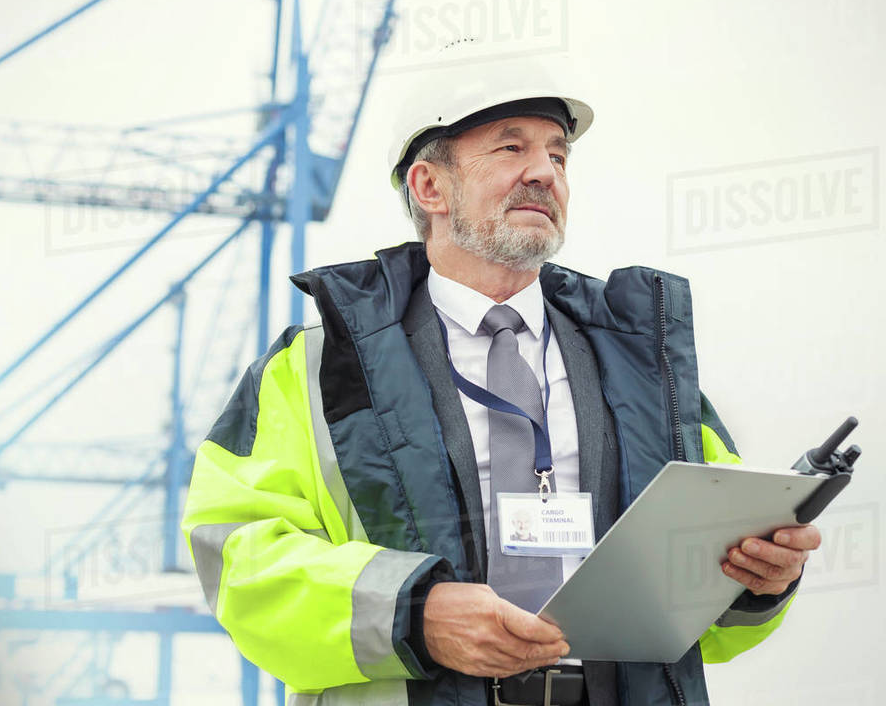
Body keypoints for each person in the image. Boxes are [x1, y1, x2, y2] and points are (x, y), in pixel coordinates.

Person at [182, 54, 821, 706]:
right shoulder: (316, 369)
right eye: (511, 148)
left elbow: (703, 602)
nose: (545, 172)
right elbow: (238, 556)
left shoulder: (643, 369)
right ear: (429, 187)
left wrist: (759, 581)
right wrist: (415, 613)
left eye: (559, 156)